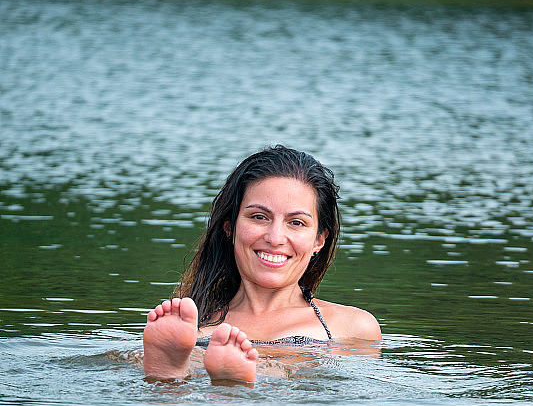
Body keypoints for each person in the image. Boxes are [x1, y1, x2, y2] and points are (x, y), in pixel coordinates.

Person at [143, 145, 381, 383]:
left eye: (296, 222)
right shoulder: (192, 329)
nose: (275, 238)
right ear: (230, 228)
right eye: (259, 217)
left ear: (319, 240)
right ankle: (171, 373)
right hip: (209, 388)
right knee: (184, 373)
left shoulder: (355, 327)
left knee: (204, 367)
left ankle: (226, 381)